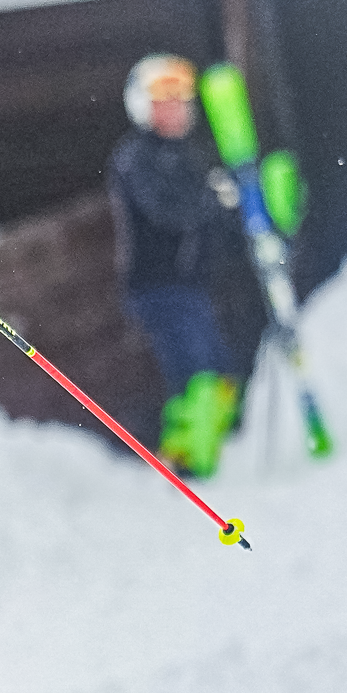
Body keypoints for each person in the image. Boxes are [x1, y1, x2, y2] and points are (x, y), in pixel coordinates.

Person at [108, 53, 245, 477]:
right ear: (143, 108)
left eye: (183, 100)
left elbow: (215, 223)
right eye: (164, 101)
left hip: (191, 286)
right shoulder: (136, 157)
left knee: (221, 376)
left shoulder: (192, 156)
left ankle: (199, 453)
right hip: (157, 288)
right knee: (197, 375)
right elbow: (168, 211)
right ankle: (188, 463)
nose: (178, 110)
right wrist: (213, 198)